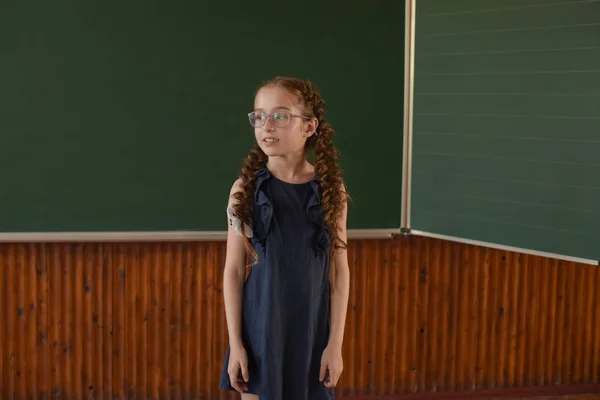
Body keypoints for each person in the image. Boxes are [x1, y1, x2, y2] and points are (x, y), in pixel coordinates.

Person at [218, 76, 351, 400]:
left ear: (309, 126)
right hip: (260, 329)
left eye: (280, 116)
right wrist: (237, 344)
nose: (267, 126)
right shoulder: (245, 190)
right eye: (259, 116)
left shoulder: (332, 192)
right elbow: (234, 271)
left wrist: (335, 345)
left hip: (310, 331)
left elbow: (339, 272)